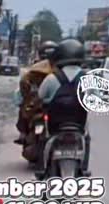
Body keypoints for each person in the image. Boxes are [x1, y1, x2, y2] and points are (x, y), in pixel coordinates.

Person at [36, 38, 89, 173]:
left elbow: (40, 96)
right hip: (79, 124)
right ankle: (84, 169)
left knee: (43, 137)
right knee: (86, 138)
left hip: (55, 125)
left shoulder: (52, 78)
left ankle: (41, 169)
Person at [14, 41, 57, 143]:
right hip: (41, 102)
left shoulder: (35, 68)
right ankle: (24, 133)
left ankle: (23, 134)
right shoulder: (56, 67)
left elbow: (24, 84)